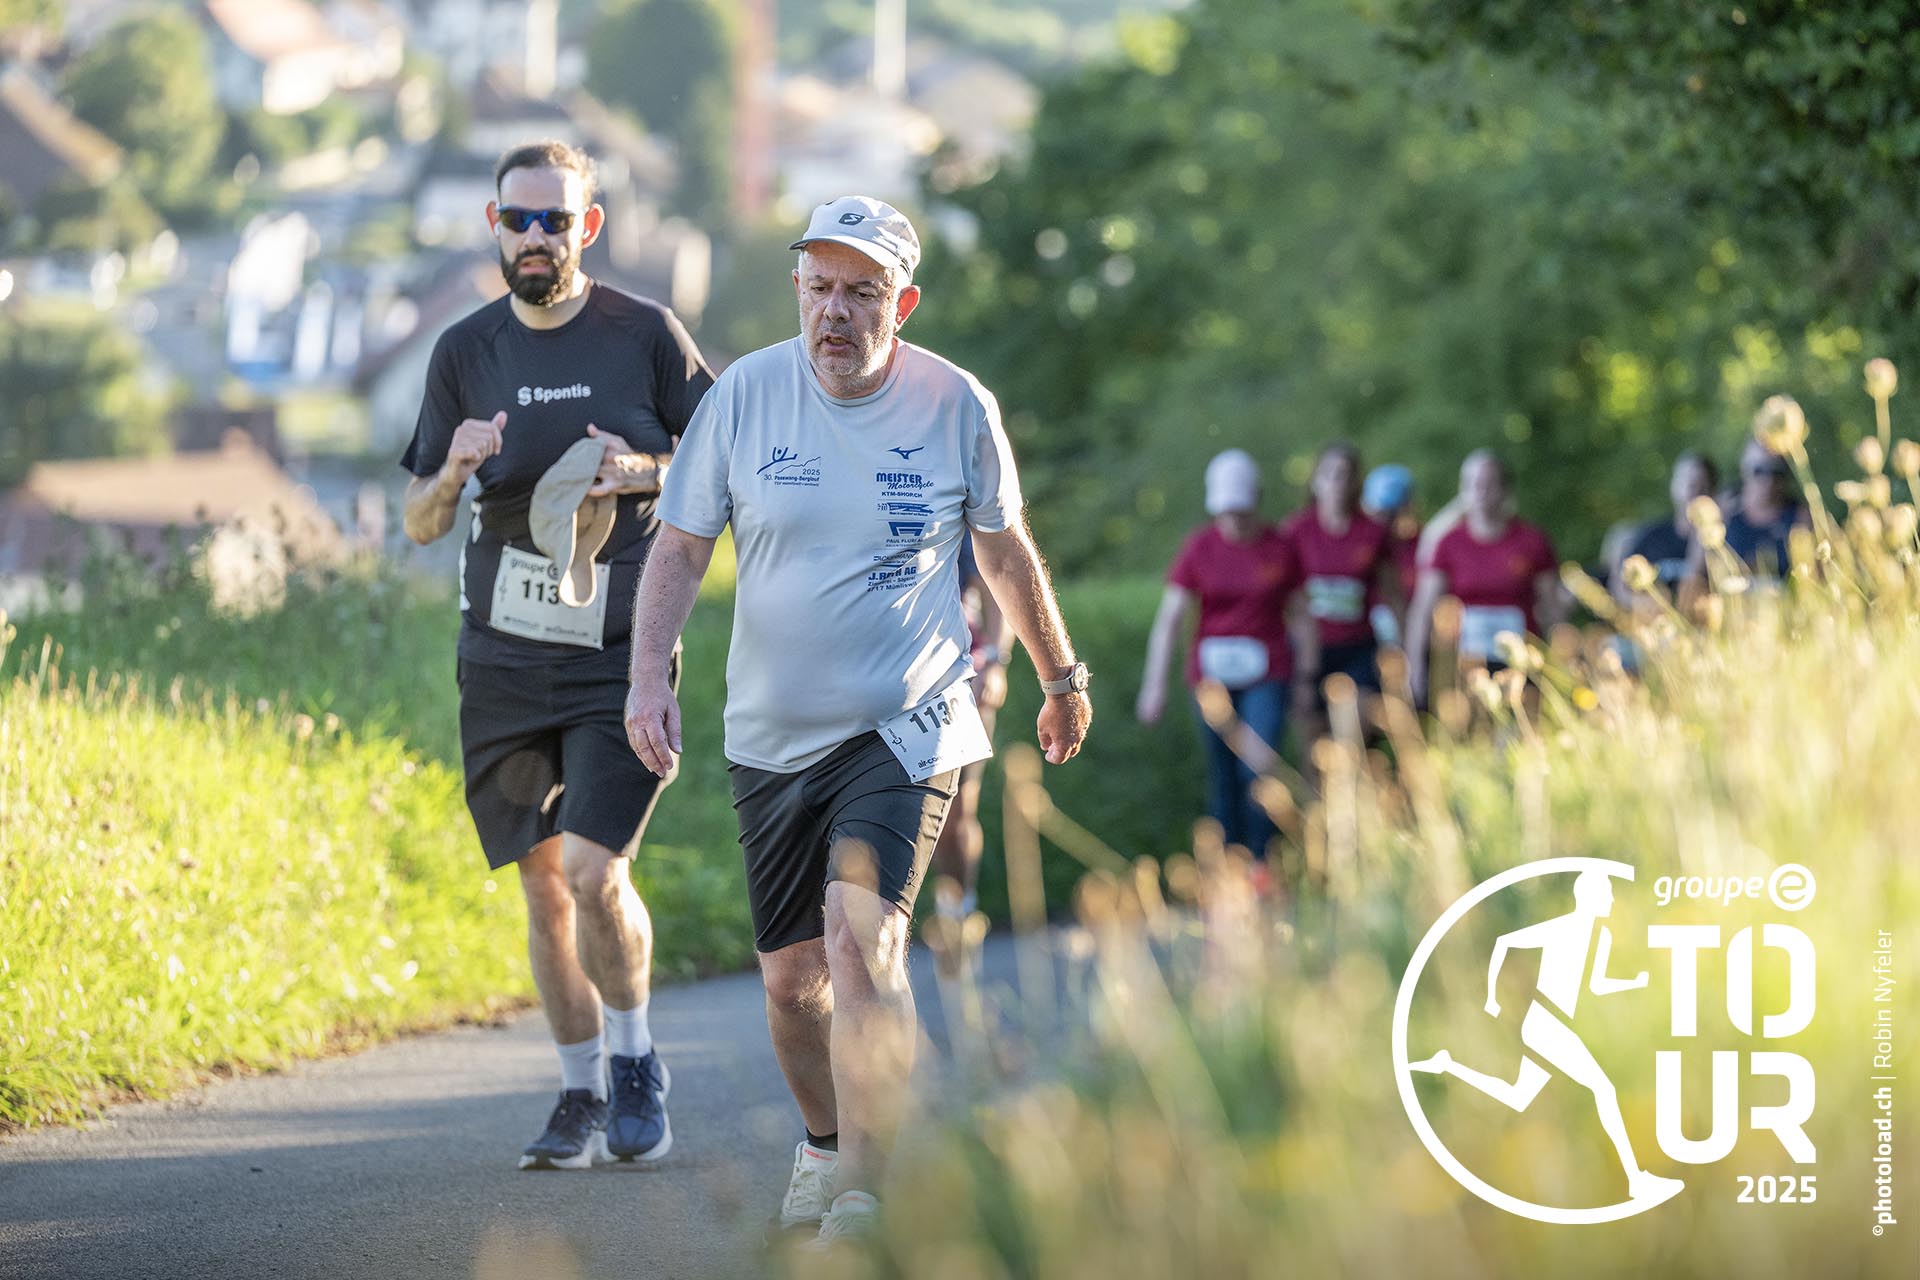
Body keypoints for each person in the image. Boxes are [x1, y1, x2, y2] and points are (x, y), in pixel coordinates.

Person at [623, 196, 1092, 1246]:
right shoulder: (744, 397)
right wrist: (648, 675)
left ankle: (871, 1189)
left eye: (862, 292)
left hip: (906, 720)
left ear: (903, 304)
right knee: (794, 985)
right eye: (820, 287)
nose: (834, 312)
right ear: (798, 288)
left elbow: (1002, 550)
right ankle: (827, 1145)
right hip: (771, 734)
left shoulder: (955, 404)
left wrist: (1061, 674)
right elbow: (681, 548)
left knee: (863, 939)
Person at [400, 140, 713, 1170]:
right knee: (542, 883)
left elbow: (723, 463)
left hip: (617, 652)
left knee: (592, 869)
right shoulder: (464, 351)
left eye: (556, 220)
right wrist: (452, 471)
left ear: (589, 227)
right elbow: (417, 521)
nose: (535, 237)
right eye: (518, 219)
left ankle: (635, 1060)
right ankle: (579, 1092)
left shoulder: (645, 335)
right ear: (494, 226)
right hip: (501, 657)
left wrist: (640, 469)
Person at [1409, 870, 1683, 1206]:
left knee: (1518, 1096)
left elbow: (1597, 984)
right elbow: (1504, 942)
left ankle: (1448, 1065)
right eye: (1606, 893)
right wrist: (1492, 997)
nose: (1612, 899)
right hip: (1544, 1022)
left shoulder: (1600, 937)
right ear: (1589, 898)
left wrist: (1634, 982)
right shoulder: (1562, 928)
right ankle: (1636, 1180)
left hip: (1553, 1024)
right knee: (1604, 1089)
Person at [1136, 448, 1298, 860]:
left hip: (1267, 672)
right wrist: (1154, 686)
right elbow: (1170, 619)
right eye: (1226, 512)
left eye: (1240, 512)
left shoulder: (1280, 547)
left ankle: (1263, 859)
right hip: (1211, 680)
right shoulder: (1199, 548)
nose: (1233, 521)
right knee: (1223, 773)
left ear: (1256, 502)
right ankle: (1230, 866)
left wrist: (1308, 675)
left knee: (1258, 765)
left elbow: (1301, 613)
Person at [1406, 450, 1563, 704]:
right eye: (1472, 484)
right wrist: (1415, 668)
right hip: (1464, 667)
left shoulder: (1532, 541)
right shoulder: (1448, 543)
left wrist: (1559, 662)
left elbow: (1553, 610)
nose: (1480, 492)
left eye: (1488, 484)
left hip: (1521, 664)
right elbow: (1423, 608)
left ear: (1505, 489)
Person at [927, 533, 1012, 950]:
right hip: (891, 681)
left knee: (958, 807)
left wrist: (995, 663)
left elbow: (997, 586)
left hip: (962, 679)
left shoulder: (947, 513)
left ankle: (958, 910)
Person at [1282, 443, 1401, 737]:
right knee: (1316, 747)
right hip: (1307, 653)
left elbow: (1394, 596)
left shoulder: (1373, 533)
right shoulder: (1295, 531)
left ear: (1356, 483)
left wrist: (1406, 649)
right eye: (1329, 474)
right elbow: (1279, 597)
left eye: (1344, 475)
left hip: (1357, 648)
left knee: (1353, 736)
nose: (1337, 482)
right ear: (1315, 481)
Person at [1685, 439, 1808, 594]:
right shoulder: (1720, 513)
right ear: (1744, 469)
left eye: (1776, 471)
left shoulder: (1801, 517)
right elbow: (1694, 579)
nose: (1768, 480)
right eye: (1759, 471)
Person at [1613, 452, 1717, 605]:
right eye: (1686, 481)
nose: (1692, 490)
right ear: (1673, 486)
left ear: (1712, 490)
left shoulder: (1722, 542)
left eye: (1700, 483)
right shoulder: (1652, 536)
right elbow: (1620, 587)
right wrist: (1645, 605)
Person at [1362, 463, 1421, 645]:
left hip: (1411, 632)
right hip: (1364, 639)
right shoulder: (1358, 541)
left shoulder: (1422, 545)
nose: (1386, 522)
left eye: (1393, 514)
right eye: (1380, 513)